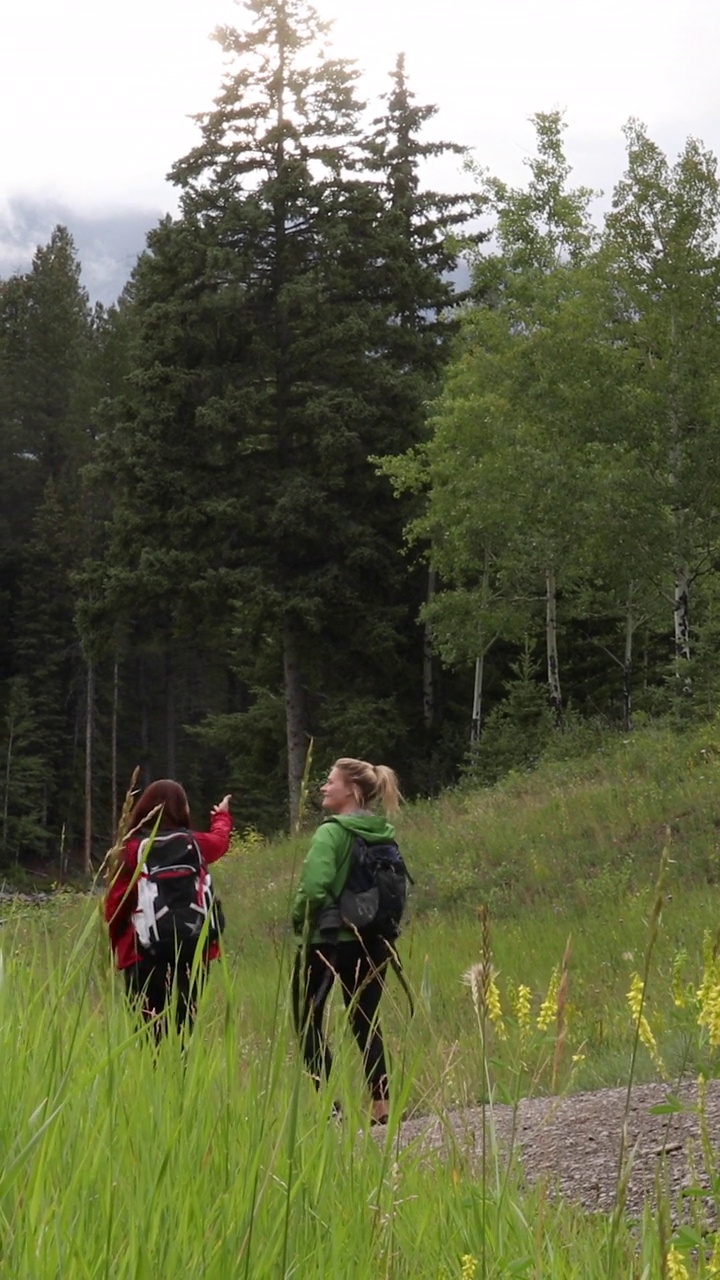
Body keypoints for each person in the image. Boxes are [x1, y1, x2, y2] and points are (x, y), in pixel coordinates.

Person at [291, 757, 402, 1125]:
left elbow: (313, 888)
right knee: (365, 1020)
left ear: (352, 790)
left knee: (308, 1019)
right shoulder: (383, 833)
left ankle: (330, 1109)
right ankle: (381, 1105)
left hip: (329, 941)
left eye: (330, 781)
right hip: (374, 941)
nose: (324, 787)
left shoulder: (331, 832)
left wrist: (298, 921)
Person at [104, 779, 232, 1040]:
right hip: (193, 951)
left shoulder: (131, 850)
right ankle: (182, 1078)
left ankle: (154, 1078)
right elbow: (220, 841)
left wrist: (115, 947)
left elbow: (115, 906)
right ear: (182, 809)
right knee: (184, 1034)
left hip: (143, 954)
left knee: (150, 1038)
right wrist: (222, 815)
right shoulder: (195, 844)